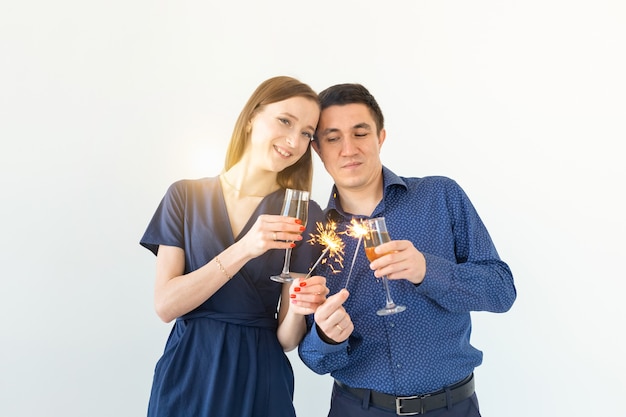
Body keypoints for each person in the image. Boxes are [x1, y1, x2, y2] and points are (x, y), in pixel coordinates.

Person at [299, 83, 517, 417]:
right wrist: (326, 337)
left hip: (452, 407)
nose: (348, 149)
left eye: (360, 133)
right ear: (317, 148)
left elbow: (501, 291)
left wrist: (428, 271)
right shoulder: (314, 231)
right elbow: (315, 360)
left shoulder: (440, 196)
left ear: (380, 137)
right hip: (358, 409)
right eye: (333, 138)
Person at [139, 76, 329, 417]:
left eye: (306, 133)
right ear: (252, 117)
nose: (293, 140)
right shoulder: (184, 197)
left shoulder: (303, 213)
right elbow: (166, 305)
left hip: (260, 376)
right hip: (189, 373)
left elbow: (286, 340)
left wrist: (301, 307)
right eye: (285, 121)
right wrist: (245, 247)